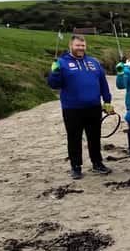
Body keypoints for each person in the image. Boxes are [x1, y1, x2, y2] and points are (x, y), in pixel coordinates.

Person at [47, 34, 113, 179]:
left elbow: (103, 82)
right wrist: (55, 73)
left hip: (94, 107)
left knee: (94, 137)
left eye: (83, 46)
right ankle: (76, 166)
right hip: (72, 109)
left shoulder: (93, 62)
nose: (81, 48)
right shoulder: (62, 62)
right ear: (71, 46)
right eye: (78, 45)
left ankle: (97, 163)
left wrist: (107, 100)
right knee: (74, 138)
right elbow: (53, 84)